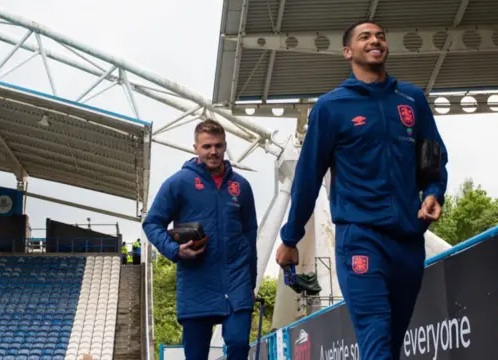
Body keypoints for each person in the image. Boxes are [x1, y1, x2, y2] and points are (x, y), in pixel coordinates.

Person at [275, 20, 448, 360]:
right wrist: (290, 237)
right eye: (365, 37)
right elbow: (308, 177)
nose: (375, 41)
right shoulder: (330, 107)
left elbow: (433, 159)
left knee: (391, 343)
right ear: (347, 52)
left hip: (408, 241)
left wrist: (434, 192)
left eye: (381, 36)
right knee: (376, 334)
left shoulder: (412, 100)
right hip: (360, 237)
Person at [143, 119, 258, 360]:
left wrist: (251, 283)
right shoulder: (179, 183)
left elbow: (250, 234)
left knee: (239, 345)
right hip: (197, 285)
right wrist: (175, 251)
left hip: (237, 284)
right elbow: (152, 223)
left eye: (217, 145)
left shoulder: (242, 186)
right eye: (207, 146)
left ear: (225, 146)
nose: (213, 151)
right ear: (195, 148)